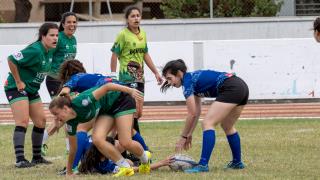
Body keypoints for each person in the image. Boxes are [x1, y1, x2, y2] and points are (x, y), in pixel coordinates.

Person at [160, 59, 249, 173]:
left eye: (169, 78)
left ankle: (203, 165)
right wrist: (189, 134)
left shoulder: (187, 82)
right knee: (227, 125)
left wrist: (183, 137)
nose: (169, 83)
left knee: (207, 123)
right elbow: (196, 113)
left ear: (179, 74)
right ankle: (237, 162)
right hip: (241, 86)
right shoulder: (191, 80)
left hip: (231, 87)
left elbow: (191, 114)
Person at [49, 82, 151, 177]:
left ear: (66, 108)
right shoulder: (70, 123)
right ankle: (125, 167)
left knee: (125, 142)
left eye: (56, 114)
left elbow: (107, 87)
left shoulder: (83, 102)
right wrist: (69, 172)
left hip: (121, 99)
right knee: (97, 139)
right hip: (107, 109)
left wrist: (130, 91)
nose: (55, 118)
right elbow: (73, 149)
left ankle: (145, 159)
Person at [4, 22, 59, 168]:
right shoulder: (35, 50)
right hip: (16, 88)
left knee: (41, 121)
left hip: (32, 89)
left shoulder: (50, 51)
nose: (55, 38)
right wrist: (18, 81)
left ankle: (37, 157)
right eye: (52, 35)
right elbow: (11, 59)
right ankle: (20, 159)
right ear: (43, 36)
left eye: (57, 35)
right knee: (22, 121)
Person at [110, 5, 163, 134]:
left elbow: (145, 54)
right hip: (127, 78)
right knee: (132, 111)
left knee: (138, 112)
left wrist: (156, 72)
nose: (136, 18)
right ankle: (132, 141)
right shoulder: (123, 35)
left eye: (138, 16)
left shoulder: (143, 34)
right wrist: (113, 75)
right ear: (127, 19)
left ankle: (119, 135)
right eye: (132, 16)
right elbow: (114, 55)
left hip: (140, 77)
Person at [42, 12, 78, 156]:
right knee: (64, 114)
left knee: (65, 115)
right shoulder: (59, 38)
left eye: (74, 22)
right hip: (54, 80)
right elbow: (47, 53)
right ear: (63, 24)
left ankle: (41, 142)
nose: (72, 25)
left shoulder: (73, 39)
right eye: (69, 22)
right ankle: (68, 148)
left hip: (66, 82)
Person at [78, 135, 174, 174]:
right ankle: (143, 153)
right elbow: (134, 169)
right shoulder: (105, 166)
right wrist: (161, 163)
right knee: (130, 163)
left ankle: (140, 153)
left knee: (126, 152)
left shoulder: (91, 141)